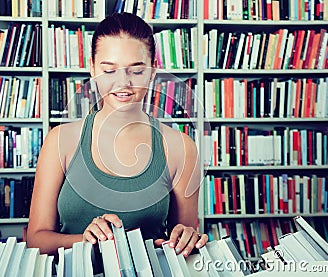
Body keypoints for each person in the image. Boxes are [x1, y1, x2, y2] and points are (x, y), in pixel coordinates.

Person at [27, 12, 208, 257]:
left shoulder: (180, 148)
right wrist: (87, 240)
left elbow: (184, 234)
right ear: (92, 69)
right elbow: (36, 239)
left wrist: (187, 238)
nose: (123, 83)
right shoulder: (59, 141)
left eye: (136, 70)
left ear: (152, 71)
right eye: (109, 71)